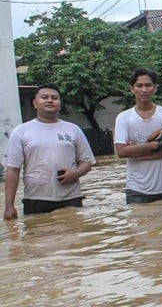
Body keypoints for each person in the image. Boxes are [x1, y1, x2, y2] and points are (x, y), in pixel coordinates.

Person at [3, 83, 96, 219]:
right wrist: (9, 205)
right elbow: (13, 170)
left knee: (73, 239)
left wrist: (75, 173)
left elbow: (87, 161)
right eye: (44, 97)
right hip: (36, 199)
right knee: (38, 238)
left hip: (71, 198)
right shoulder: (21, 131)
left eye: (54, 98)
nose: (50, 100)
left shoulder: (73, 129)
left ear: (60, 103)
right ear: (35, 103)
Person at [114, 68, 162, 204]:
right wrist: (153, 145)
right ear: (132, 89)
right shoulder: (124, 118)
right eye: (139, 86)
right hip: (137, 189)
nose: (144, 90)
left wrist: (139, 152)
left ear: (155, 88)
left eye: (148, 85)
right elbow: (121, 151)